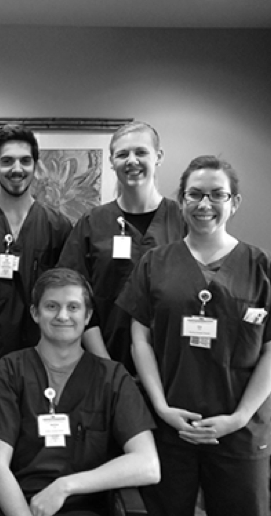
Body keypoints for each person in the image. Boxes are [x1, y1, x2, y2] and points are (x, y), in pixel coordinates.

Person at [116, 155, 271, 516]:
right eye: (194, 194)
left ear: (234, 202)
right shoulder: (155, 263)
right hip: (172, 424)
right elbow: (140, 340)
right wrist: (161, 407)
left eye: (217, 194)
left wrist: (239, 417)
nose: (204, 204)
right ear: (182, 200)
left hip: (240, 430)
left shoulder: (265, 267)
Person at [0, 268, 159, 516]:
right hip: (15, 506)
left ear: (87, 315)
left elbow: (148, 465)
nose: (63, 316)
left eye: (73, 307)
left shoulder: (113, 378)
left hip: (84, 508)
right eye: (52, 306)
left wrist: (65, 486)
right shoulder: (8, 372)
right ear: (35, 313)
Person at [57, 121, 184, 372]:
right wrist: (107, 366)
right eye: (123, 154)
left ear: (158, 156)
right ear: (111, 161)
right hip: (104, 362)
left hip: (173, 365)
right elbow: (74, 297)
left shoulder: (182, 221)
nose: (132, 161)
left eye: (141, 152)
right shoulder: (93, 223)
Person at [0, 124, 72, 372]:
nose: (17, 169)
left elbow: (67, 297)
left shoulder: (58, 226)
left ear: (35, 166)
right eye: (7, 161)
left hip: (45, 362)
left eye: (25, 161)